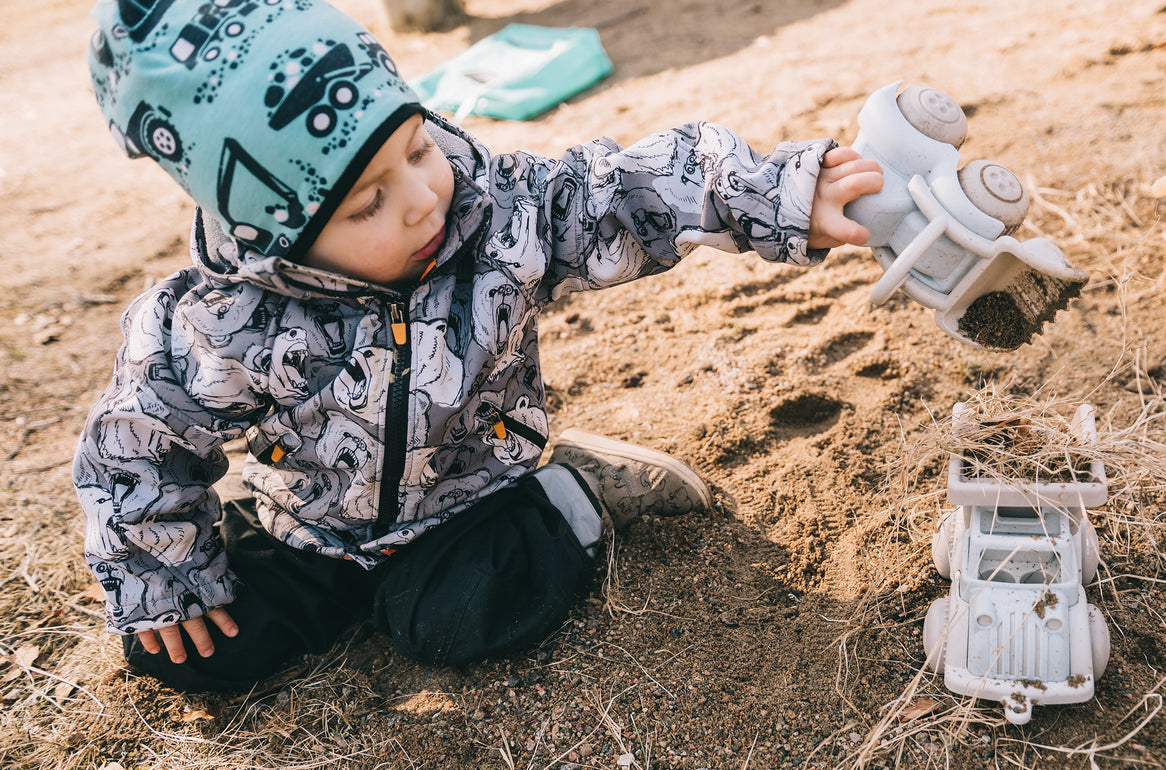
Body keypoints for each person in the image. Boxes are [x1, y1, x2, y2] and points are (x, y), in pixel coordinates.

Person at [75, 0, 883, 693]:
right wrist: (165, 574)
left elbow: (626, 191)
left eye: (419, 149)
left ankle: (572, 493)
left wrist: (773, 195)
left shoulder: (497, 217)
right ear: (278, 244)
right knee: (192, 647)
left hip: (469, 500)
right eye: (369, 204)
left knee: (458, 622)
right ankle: (336, 589)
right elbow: (136, 442)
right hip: (311, 525)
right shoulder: (217, 321)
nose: (427, 197)